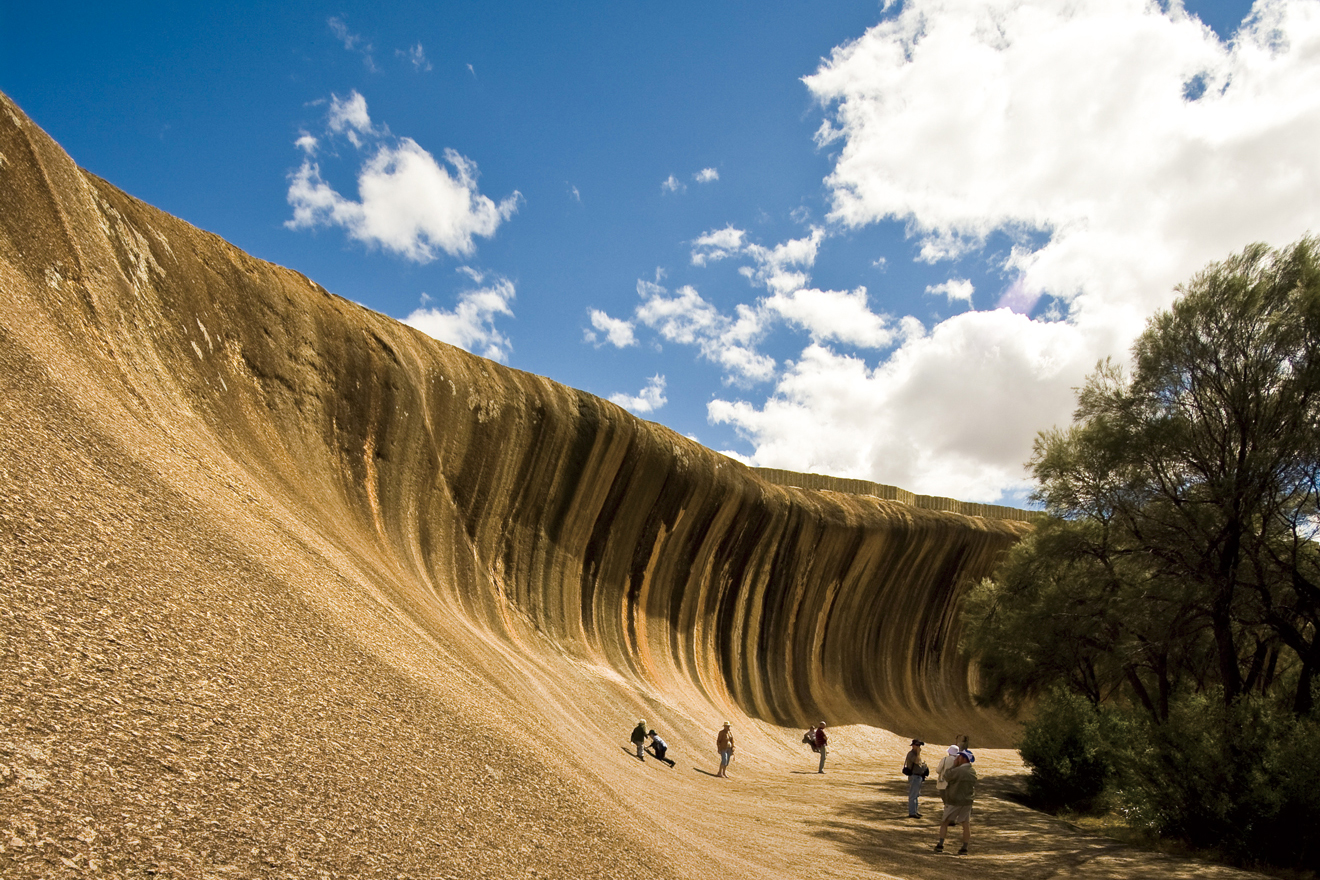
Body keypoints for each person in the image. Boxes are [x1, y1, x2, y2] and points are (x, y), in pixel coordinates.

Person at [935, 750, 977, 855]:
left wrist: (954, 765)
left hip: (954, 800)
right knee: (965, 824)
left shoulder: (958, 771)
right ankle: (964, 847)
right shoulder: (972, 772)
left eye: (959, 757)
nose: (957, 759)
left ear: (963, 758)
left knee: (945, 822)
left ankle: (940, 844)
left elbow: (947, 775)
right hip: (967, 801)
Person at [903, 739, 929, 817]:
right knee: (913, 795)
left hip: (918, 777)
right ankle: (912, 813)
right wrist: (918, 753)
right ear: (913, 746)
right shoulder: (911, 754)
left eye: (919, 745)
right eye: (917, 745)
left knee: (916, 795)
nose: (918, 747)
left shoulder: (916, 754)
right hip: (914, 776)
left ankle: (915, 811)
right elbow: (917, 761)